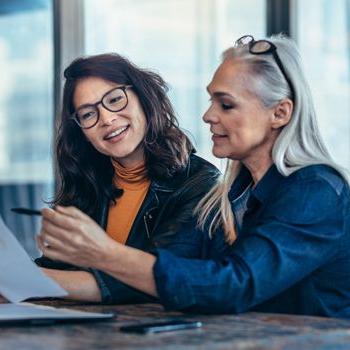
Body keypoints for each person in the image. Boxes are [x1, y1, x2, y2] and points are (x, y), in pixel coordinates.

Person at [39, 34, 350, 317]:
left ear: (280, 113)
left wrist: (104, 253)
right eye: (212, 100)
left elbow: (232, 286)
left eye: (226, 105)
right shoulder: (229, 197)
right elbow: (175, 269)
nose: (208, 115)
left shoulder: (317, 190)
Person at [35, 53, 220, 303]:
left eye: (115, 100)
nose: (107, 119)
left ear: (144, 98)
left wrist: (30, 282)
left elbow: (156, 279)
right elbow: (57, 267)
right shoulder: (87, 183)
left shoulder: (200, 183)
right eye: (88, 114)